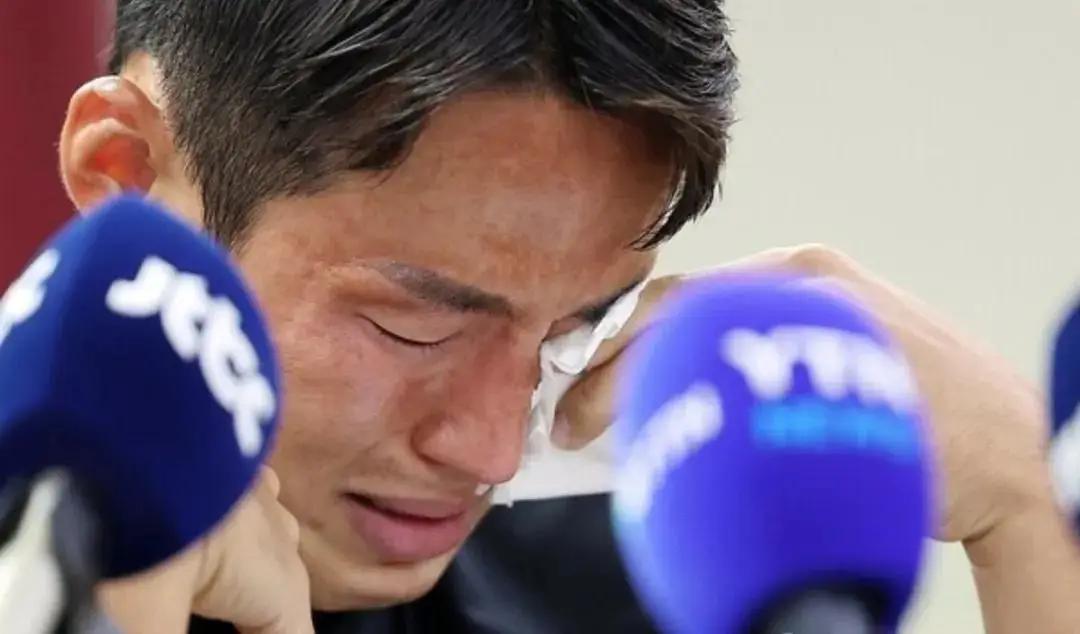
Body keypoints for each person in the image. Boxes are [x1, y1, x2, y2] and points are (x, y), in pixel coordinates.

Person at [57, 1, 1080, 633]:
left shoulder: (656, 579)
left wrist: (1033, 516)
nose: (494, 451)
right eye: (413, 328)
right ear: (129, 176)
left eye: (576, 329)